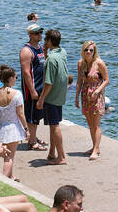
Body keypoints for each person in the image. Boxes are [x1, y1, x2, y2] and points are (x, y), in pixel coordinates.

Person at [37, 28, 68, 165]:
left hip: (51, 97)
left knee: (54, 126)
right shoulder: (62, 52)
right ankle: (52, 152)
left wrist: (41, 99)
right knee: (52, 124)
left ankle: (61, 157)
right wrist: (45, 52)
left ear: (49, 41)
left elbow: (48, 82)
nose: (44, 42)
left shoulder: (51, 59)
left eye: (45, 39)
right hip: (60, 95)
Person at [75, 40, 108, 160]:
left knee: (96, 124)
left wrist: (98, 91)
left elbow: (106, 80)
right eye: (86, 50)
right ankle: (95, 146)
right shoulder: (81, 63)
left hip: (96, 95)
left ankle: (96, 149)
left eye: (91, 50)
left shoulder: (99, 63)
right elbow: (79, 81)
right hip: (85, 95)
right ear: (83, 51)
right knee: (90, 123)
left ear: (94, 52)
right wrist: (76, 97)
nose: (88, 52)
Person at [18, 23, 47, 150]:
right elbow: (26, 72)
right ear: (30, 35)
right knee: (31, 114)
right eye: (37, 33)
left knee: (37, 113)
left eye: (40, 32)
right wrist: (32, 90)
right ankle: (32, 141)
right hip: (32, 88)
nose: (40, 35)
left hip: (41, 86)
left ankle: (33, 137)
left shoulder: (40, 48)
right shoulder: (26, 51)